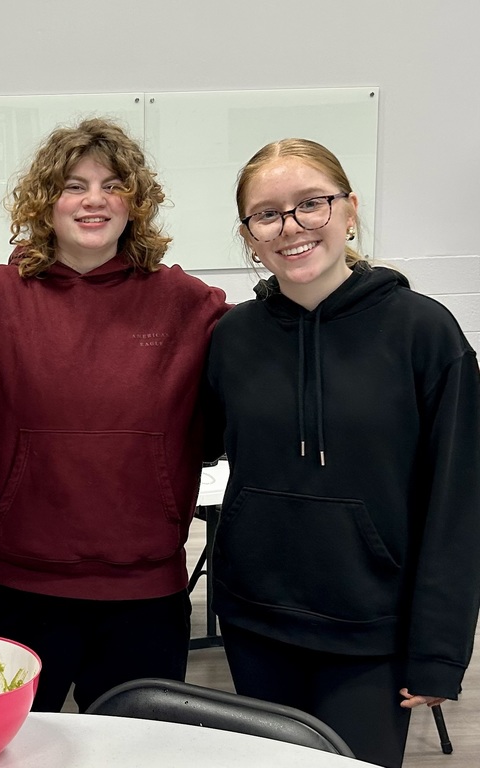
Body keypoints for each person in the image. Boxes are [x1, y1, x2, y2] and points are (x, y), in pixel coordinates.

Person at [204, 138, 480, 768]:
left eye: (312, 204)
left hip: (371, 632)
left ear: (350, 210)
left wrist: (439, 649)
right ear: (248, 234)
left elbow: (458, 505)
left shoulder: (425, 333)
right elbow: (203, 443)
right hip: (257, 624)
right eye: (266, 214)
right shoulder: (231, 339)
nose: (291, 228)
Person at [0, 117, 229, 713]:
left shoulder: (190, 305)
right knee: (4, 754)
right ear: (45, 199)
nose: (94, 200)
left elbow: (269, 356)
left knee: (136, 757)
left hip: (146, 596)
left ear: (137, 200)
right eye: (74, 184)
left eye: (111, 184)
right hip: (15, 590)